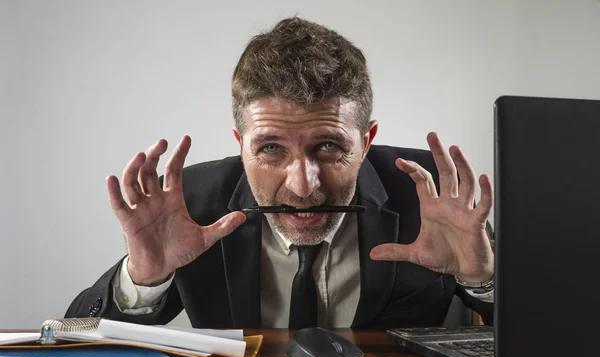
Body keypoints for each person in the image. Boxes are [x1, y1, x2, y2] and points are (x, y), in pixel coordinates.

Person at [66, 17, 494, 329]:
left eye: (327, 147)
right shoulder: (192, 203)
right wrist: (142, 279)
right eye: (271, 148)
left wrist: (484, 282)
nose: (302, 185)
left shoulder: (432, 196)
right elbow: (71, 340)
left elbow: (548, 334)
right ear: (240, 143)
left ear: (366, 142)